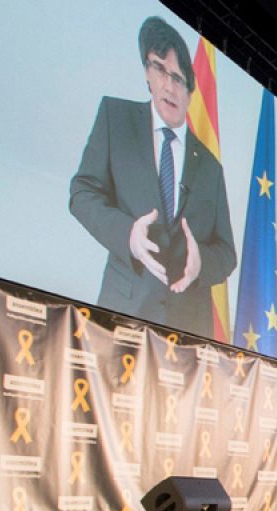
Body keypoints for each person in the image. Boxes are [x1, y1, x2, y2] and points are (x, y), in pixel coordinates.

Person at [69, 16, 236, 336]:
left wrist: (201, 264)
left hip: (188, 331)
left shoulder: (211, 166)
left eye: (179, 78)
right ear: (147, 72)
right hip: (122, 317)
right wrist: (127, 234)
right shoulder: (115, 119)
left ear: (190, 91)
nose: (169, 86)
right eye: (160, 69)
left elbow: (227, 253)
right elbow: (82, 192)